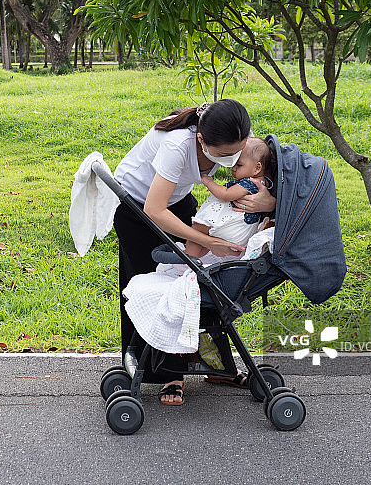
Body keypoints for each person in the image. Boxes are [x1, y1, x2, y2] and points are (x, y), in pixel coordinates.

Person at [113, 100, 276, 406]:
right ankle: (169, 375)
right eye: (226, 154)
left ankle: (218, 367)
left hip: (176, 200)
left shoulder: (234, 132)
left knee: (206, 283)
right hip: (137, 208)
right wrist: (211, 242)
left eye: (236, 152)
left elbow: (258, 171)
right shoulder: (178, 145)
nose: (232, 159)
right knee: (166, 289)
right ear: (202, 140)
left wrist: (266, 203)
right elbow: (154, 209)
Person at [184, 137, 273, 259]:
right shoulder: (264, 182)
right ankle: (199, 257)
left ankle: (187, 258)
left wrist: (209, 182)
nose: (233, 169)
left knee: (198, 229)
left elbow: (225, 195)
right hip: (239, 228)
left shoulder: (250, 182)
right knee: (205, 238)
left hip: (234, 227)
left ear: (257, 168)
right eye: (233, 164)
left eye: (239, 165)